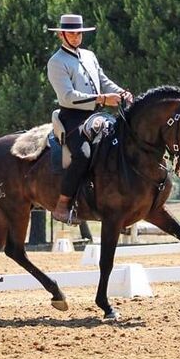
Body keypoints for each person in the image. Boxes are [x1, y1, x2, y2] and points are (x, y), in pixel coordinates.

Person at [47, 14, 133, 225]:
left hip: (97, 115)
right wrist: (103, 98)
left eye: (79, 33)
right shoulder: (56, 62)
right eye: (72, 33)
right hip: (72, 117)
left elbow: (103, 80)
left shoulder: (89, 55)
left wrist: (121, 92)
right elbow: (67, 96)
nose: (76, 37)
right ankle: (63, 204)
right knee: (83, 154)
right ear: (61, 35)